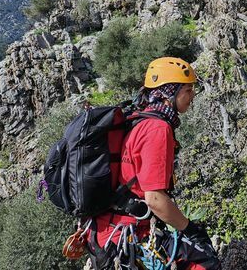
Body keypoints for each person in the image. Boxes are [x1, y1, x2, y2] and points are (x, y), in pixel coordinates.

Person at [86, 57, 221, 270]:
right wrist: (191, 230)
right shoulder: (158, 129)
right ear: (170, 92)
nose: (192, 96)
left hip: (107, 232)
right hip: (127, 234)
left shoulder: (138, 120)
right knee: (205, 264)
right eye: (187, 90)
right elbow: (155, 199)